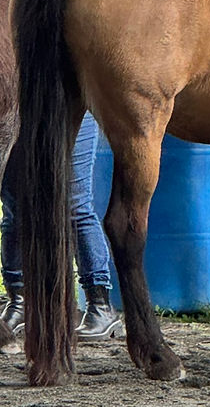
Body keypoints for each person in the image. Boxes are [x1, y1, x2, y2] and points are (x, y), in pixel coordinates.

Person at [0, 112, 121, 341]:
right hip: (20, 106)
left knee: (76, 205)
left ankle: (100, 304)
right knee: (14, 205)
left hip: (71, 105)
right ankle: (19, 299)